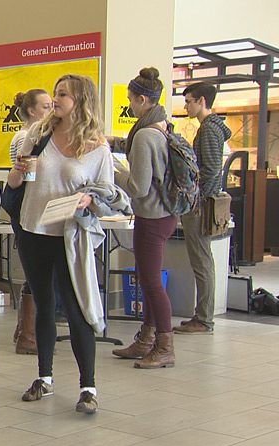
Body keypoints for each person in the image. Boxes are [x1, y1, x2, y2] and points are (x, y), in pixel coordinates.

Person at [10, 74, 115, 414]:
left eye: (64, 94)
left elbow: (106, 193)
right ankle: (45, 377)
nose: (57, 99)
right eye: (55, 93)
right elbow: (18, 180)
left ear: (81, 101)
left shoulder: (98, 147)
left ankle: (88, 387)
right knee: (43, 304)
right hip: (33, 230)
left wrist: (88, 199)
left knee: (76, 307)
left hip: (71, 237)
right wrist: (18, 172)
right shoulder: (38, 134)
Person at [108, 67, 178, 368]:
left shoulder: (146, 135)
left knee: (150, 282)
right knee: (149, 280)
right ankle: (147, 339)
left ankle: (164, 345)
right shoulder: (160, 126)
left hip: (152, 216)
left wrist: (112, 169)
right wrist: (112, 143)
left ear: (142, 99)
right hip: (163, 214)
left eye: (130, 100)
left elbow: (137, 186)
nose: (129, 106)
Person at [173, 82, 231, 335]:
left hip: (200, 205)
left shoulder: (208, 130)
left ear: (202, 101)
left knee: (202, 260)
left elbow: (208, 171)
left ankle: (204, 318)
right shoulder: (212, 129)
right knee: (203, 259)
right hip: (204, 202)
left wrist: (194, 200)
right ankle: (203, 315)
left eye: (189, 101)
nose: (186, 106)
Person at [9, 89, 53, 355]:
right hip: (27, 209)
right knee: (33, 270)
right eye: (45, 106)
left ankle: (25, 330)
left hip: (32, 208)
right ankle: (27, 334)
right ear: (33, 111)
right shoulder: (27, 137)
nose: (50, 110)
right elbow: (26, 177)